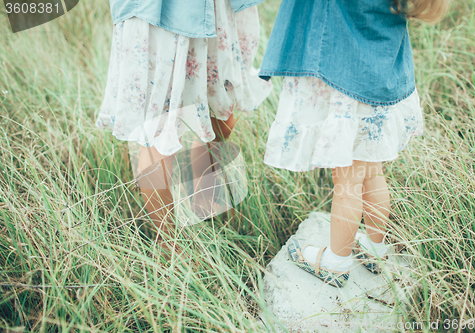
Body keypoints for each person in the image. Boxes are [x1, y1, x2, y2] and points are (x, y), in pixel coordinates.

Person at [258, 0, 449, 286]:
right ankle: (375, 248)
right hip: (381, 79)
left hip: (347, 82)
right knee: (373, 172)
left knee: (347, 181)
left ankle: (336, 261)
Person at [96, 0, 272, 256]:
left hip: (217, 7)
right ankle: (169, 246)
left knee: (224, 103)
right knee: (157, 130)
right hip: (157, 12)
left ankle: (203, 196)